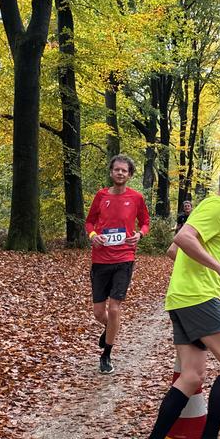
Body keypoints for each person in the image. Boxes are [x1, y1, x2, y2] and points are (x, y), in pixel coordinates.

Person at [133, 166, 220, 439]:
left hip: (183, 298)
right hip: (198, 298)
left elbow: (174, 251)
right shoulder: (216, 206)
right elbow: (182, 238)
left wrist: (201, 267)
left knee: (190, 376)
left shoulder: (210, 210)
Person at [85, 155, 150, 374]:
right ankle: (110, 328)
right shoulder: (101, 196)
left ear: (130, 175)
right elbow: (89, 222)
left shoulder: (136, 198)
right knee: (98, 312)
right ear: (111, 172)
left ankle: (106, 355)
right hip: (100, 259)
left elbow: (145, 222)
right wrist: (93, 235)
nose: (120, 173)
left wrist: (140, 235)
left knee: (114, 309)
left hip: (124, 258)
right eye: (117, 169)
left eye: (124, 170)